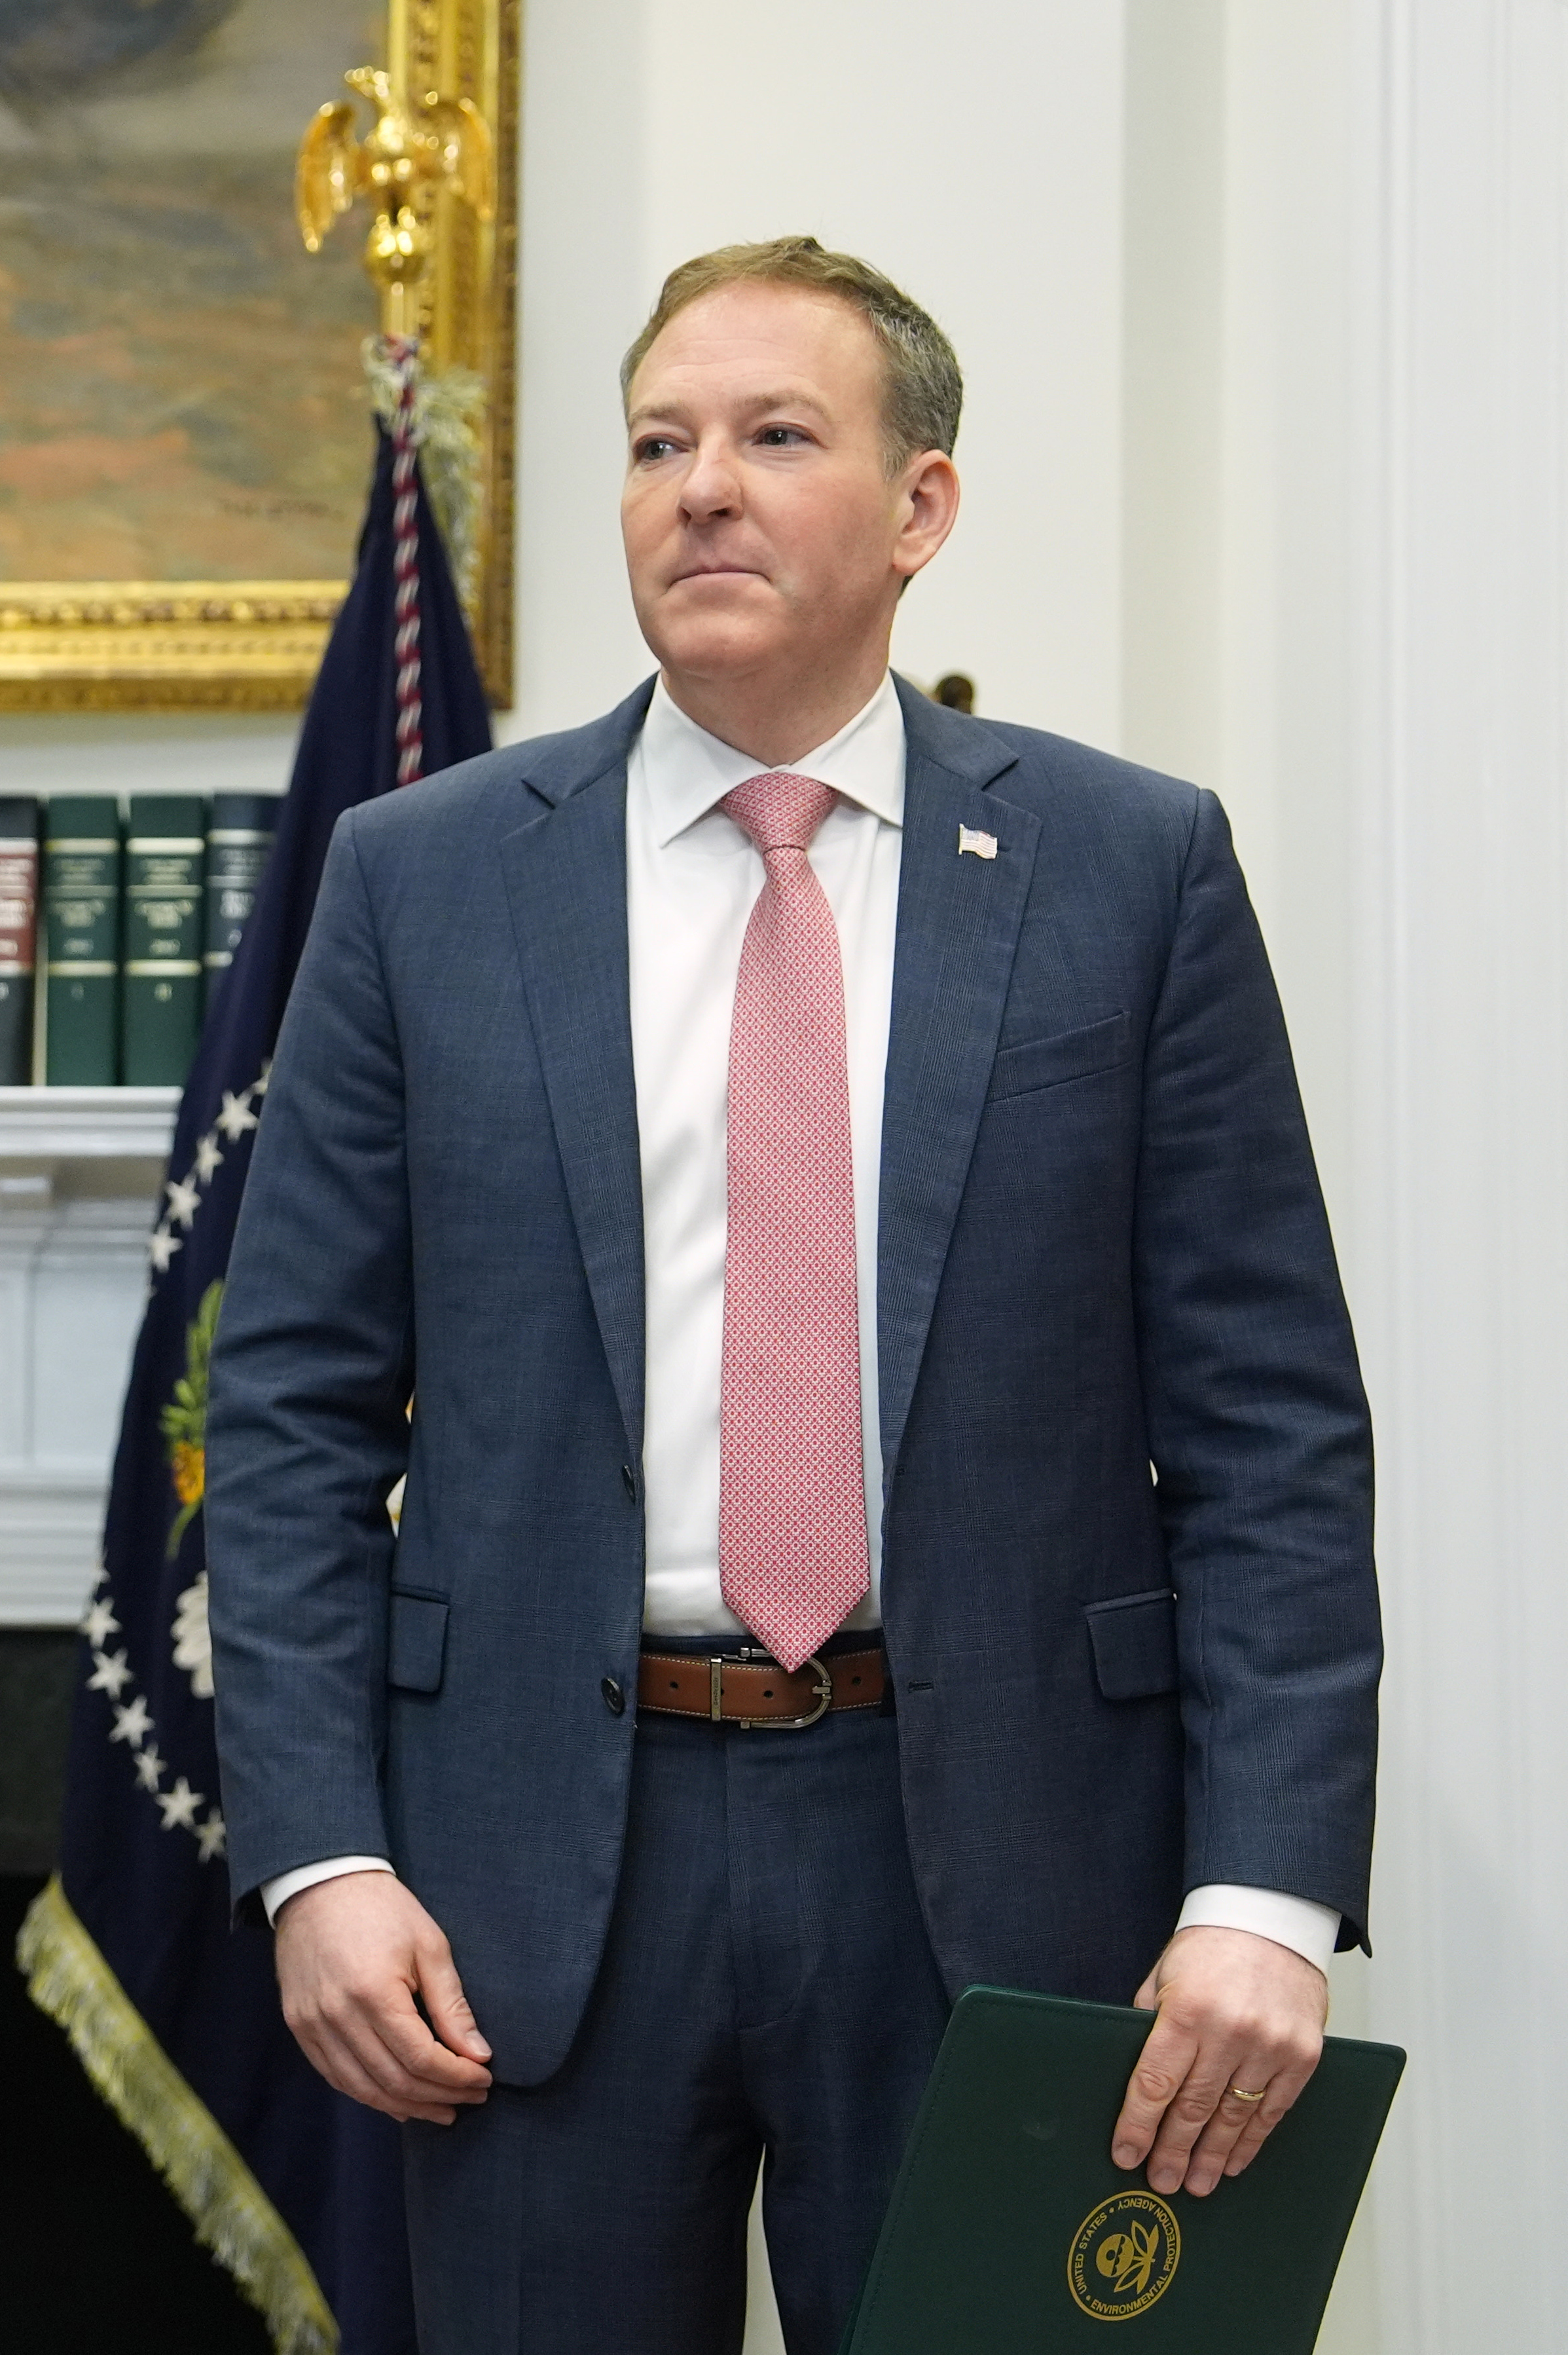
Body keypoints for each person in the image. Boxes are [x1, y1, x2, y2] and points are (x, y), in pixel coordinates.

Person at [206, 238, 1376, 2352]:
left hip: (1005, 1866)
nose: (701, 490)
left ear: (921, 505)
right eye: (657, 443)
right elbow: (285, 1416)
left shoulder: (1131, 871)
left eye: (771, 436)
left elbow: (1267, 1434)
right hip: (527, 1878)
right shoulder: (420, 878)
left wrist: (1263, 1891)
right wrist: (316, 1854)